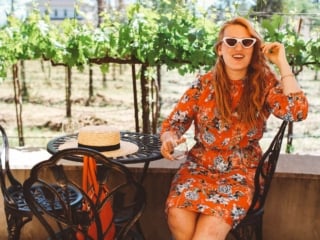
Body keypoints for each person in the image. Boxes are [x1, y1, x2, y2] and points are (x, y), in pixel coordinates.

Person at [160, 16, 308, 240]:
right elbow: (174, 123)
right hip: (199, 167)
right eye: (231, 42)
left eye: (246, 42)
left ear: (253, 48)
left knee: (206, 236)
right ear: (220, 49)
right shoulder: (203, 84)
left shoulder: (264, 83)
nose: (238, 48)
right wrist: (169, 139)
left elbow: (297, 111)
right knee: (177, 218)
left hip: (240, 171)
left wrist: (282, 62)